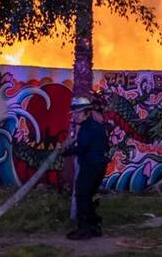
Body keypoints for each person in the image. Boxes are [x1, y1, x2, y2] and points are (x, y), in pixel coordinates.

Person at [61, 95, 109, 240]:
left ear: (87, 112)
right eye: (74, 113)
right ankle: (94, 227)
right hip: (98, 166)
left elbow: (81, 148)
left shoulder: (87, 128)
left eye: (78, 113)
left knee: (82, 196)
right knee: (88, 197)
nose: (75, 116)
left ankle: (84, 230)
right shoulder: (95, 126)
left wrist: (64, 152)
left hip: (90, 167)